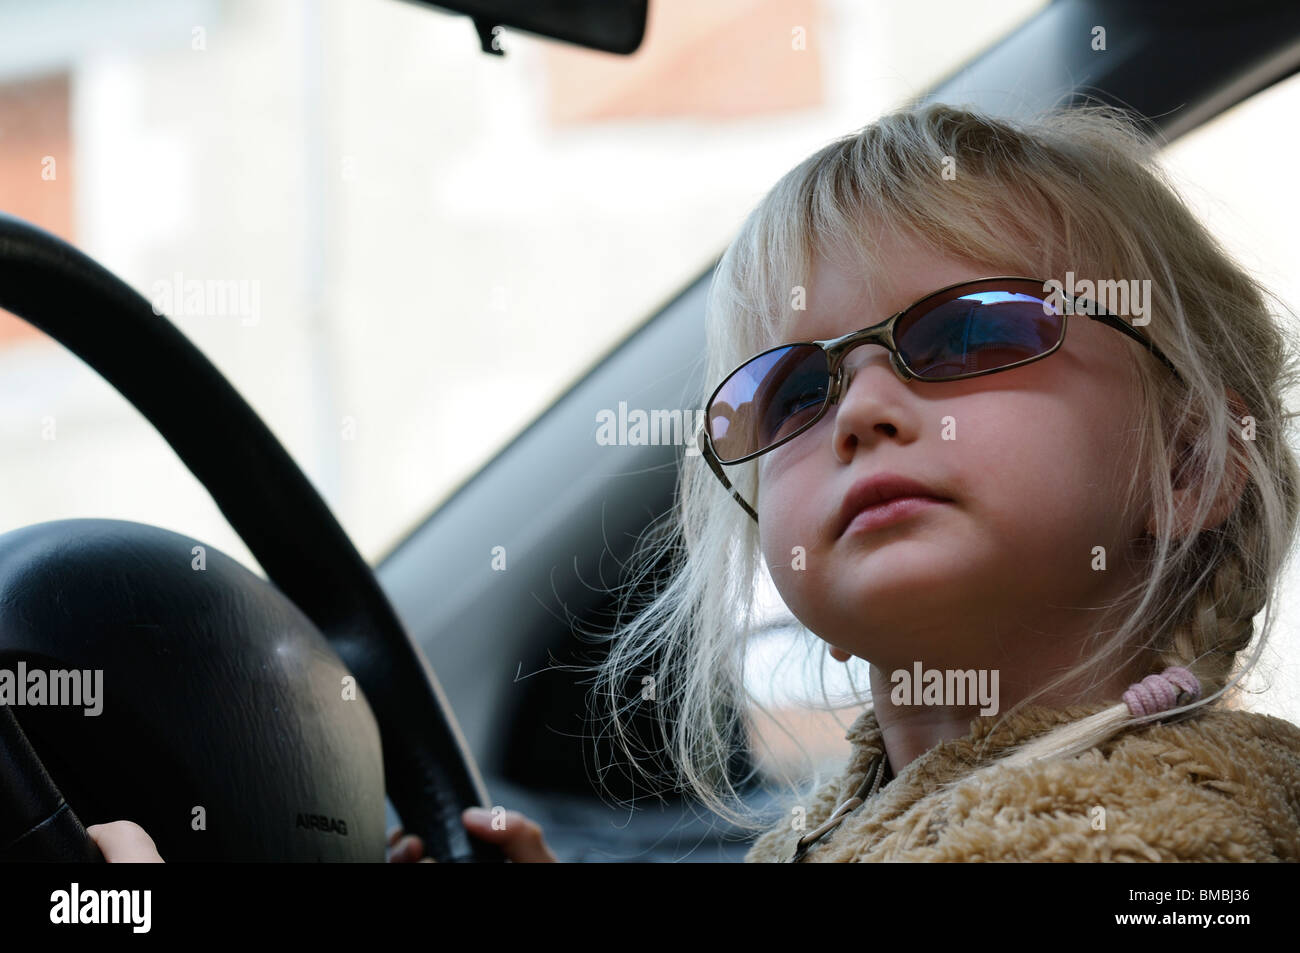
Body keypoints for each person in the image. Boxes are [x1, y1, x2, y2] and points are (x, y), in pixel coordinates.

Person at [90, 101, 1300, 863]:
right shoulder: (835, 826)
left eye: (973, 333)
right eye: (791, 393)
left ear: (1188, 464)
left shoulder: (1187, 828)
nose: (867, 407)